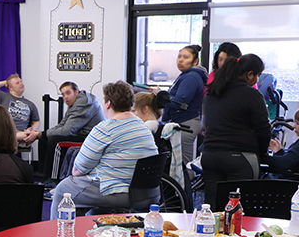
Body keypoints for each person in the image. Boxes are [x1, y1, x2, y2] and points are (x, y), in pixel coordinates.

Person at [49, 81, 158, 214]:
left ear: (108, 103)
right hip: (149, 192)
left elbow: (78, 170)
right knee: (94, 212)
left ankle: (59, 234)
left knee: (63, 189)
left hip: (121, 193)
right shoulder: (142, 126)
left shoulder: (105, 129)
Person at [200, 53, 270, 205]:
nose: (257, 80)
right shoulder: (252, 95)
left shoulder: (212, 93)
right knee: (239, 209)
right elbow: (263, 129)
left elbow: (206, 124)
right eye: (257, 75)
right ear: (250, 74)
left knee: (213, 208)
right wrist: (263, 150)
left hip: (210, 155)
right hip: (240, 158)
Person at [36, 81, 104, 187]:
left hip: (91, 139)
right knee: (45, 139)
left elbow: (67, 131)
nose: (65, 97)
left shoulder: (83, 103)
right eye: (63, 94)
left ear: (76, 92)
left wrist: (41, 134)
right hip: (82, 135)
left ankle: (54, 179)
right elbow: (62, 125)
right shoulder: (75, 104)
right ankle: (44, 176)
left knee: (55, 141)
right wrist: (41, 134)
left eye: (68, 93)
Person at [160, 44, 207, 177]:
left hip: (185, 124)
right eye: (179, 56)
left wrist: (161, 96)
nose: (180, 60)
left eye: (186, 57)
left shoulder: (191, 77)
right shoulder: (187, 75)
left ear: (195, 61)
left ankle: (187, 195)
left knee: (184, 165)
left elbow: (179, 102)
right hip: (184, 122)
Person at [0, 74, 40, 145]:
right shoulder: (4, 97)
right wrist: (5, 82)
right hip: (5, 131)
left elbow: (36, 121)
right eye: (17, 83)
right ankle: (11, 137)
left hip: (21, 134)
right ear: (10, 87)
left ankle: (13, 137)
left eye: (21, 82)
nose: (21, 84)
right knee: (0, 134)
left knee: (33, 134)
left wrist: (33, 129)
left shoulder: (30, 104)